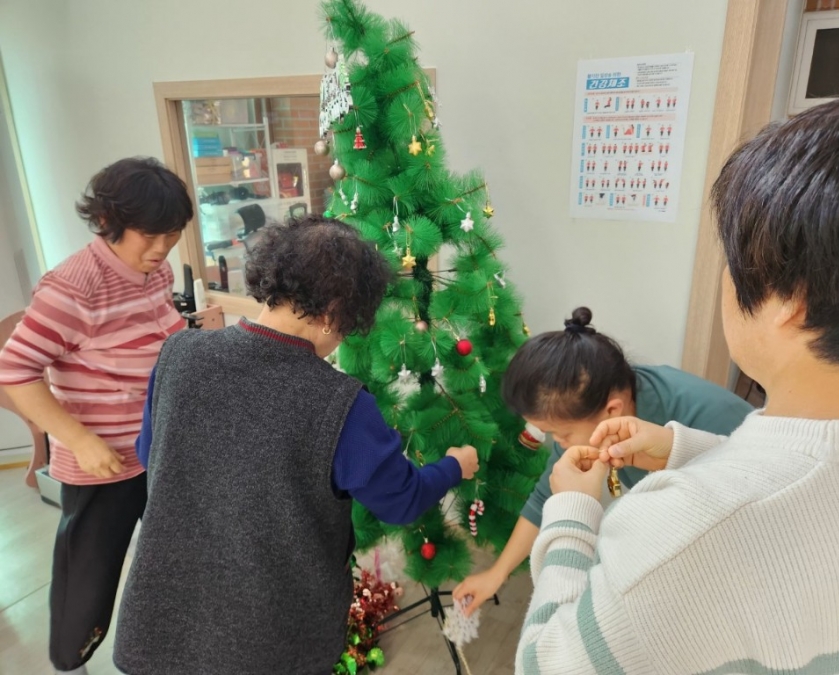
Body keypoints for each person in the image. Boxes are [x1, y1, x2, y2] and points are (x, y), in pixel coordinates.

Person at [516, 94, 839, 674]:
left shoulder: (684, 532)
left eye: (733, 257)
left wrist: (572, 512)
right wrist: (686, 450)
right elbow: (811, 484)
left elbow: (546, 664)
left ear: (790, 298)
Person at [113, 216, 480, 675]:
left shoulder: (180, 354)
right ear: (333, 312)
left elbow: (150, 455)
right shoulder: (341, 404)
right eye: (348, 326)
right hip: (268, 634)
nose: (342, 339)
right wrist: (455, 465)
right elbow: (400, 500)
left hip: (163, 617)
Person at [0, 157, 193, 675]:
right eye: (149, 236)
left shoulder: (156, 271)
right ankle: (71, 664)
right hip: (102, 465)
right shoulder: (72, 289)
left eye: (172, 235)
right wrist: (79, 439)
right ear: (108, 221)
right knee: (88, 580)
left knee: (170, 560)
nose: (161, 249)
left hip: (159, 448)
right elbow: (13, 371)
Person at [453, 307, 752, 615]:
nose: (558, 443)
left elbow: (742, 514)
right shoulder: (583, 409)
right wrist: (497, 573)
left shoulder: (710, 420)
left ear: (612, 410)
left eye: (561, 434)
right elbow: (544, 497)